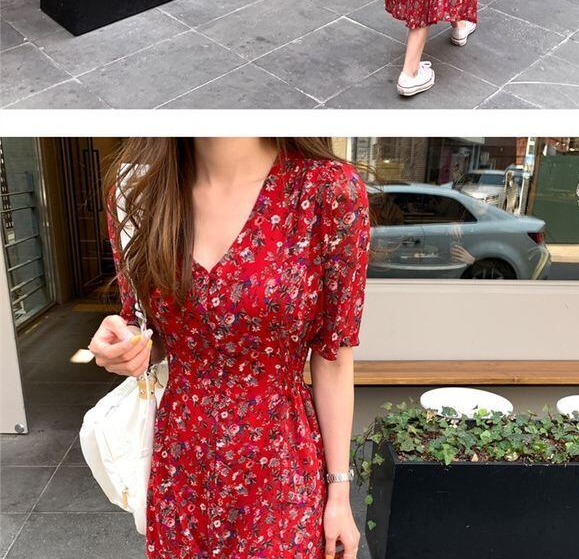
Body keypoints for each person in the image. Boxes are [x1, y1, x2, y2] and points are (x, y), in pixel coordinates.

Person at [88, 137, 370, 559]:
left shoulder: (327, 191)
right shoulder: (139, 193)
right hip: (180, 467)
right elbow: (149, 328)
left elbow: (333, 358)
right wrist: (126, 346)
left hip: (281, 469)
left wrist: (339, 494)